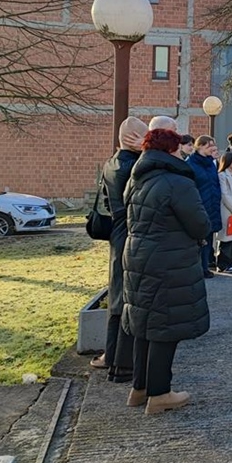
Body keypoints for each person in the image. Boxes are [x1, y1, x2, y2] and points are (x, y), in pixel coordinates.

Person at [122, 127, 211, 414]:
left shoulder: (137, 179)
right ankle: (160, 393)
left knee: (144, 324)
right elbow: (199, 223)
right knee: (165, 325)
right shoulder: (177, 182)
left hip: (137, 255)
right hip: (169, 259)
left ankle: (140, 387)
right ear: (171, 151)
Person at [92, 116, 147, 382]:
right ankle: (123, 363)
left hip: (116, 231)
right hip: (131, 232)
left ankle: (110, 356)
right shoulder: (135, 166)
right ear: (132, 138)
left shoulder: (111, 163)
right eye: (144, 136)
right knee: (129, 295)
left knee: (116, 295)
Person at [186, 135, 222, 279]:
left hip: (212, 205)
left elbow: (215, 184)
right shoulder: (191, 164)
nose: (212, 148)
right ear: (199, 146)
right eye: (209, 146)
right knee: (198, 241)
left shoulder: (211, 164)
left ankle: (205, 266)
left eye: (213, 145)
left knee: (208, 239)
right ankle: (196, 268)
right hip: (199, 206)